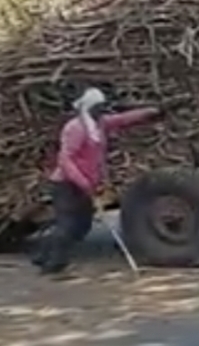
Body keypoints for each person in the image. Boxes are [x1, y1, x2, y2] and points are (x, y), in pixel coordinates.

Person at [32, 87, 160, 276]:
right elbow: (65, 159)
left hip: (85, 183)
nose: (103, 110)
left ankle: (43, 253)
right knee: (68, 224)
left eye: (103, 107)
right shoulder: (75, 128)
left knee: (83, 225)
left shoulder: (99, 124)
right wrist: (82, 182)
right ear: (88, 107)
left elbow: (122, 120)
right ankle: (53, 265)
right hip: (67, 183)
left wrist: (149, 112)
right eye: (99, 107)